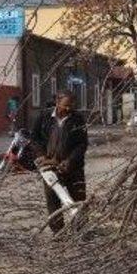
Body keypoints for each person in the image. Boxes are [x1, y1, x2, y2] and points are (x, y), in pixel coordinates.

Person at [32, 90, 88, 234]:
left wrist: (70, 161)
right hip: (49, 167)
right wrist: (41, 155)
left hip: (73, 168)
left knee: (78, 200)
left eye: (71, 105)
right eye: (65, 105)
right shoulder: (43, 117)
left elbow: (82, 144)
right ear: (57, 103)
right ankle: (58, 233)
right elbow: (35, 138)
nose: (69, 108)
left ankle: (81, 232)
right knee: (53, 201)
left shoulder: (78, 119)